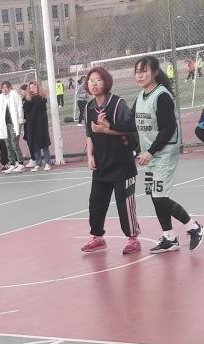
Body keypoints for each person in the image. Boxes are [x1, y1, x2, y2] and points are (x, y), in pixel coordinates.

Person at [131, 56, 204, 253]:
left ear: (155, 72)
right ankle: (169, 238)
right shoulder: (141, 96)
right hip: (151, 153)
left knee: (160, 196)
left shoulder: (162, 96)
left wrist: (150, 151)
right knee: (155, 195)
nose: (140, 75)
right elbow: (130, 122)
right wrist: (107, 127)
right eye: (137, 72)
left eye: (144, 71)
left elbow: (168, 128)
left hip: (164, 152)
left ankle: (194, 227)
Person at [80, 66, 141, 257]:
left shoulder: (118, 104)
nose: (94, 84)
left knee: (125, 204)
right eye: (91, 81)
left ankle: (133, 238)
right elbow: (89, 134)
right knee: (96, 203)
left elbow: (129, 129)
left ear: (106, 82)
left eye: (98, 80)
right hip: (101, 164)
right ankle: (98, 237)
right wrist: (90, 156)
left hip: (122, 164)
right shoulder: (88, 107)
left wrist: (106, 129)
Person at [23, 81, 52, 172]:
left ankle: (48, 162)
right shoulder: (28, 99)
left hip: (41, 124)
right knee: (35, 145)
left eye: (34, 87)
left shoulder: (41, 98)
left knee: (44, 144)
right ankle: (38, 163)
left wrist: (35, 96)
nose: (32, 89)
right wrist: (28, 98)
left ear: (38, 88)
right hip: (32, 125)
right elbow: (26, 109)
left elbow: (40, 106)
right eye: (30, 88)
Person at [0, 80, 25, 173]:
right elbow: (0, 111)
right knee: (8, 144)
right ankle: (12, 164)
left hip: (14, 124)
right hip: (5, 124)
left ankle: (21, 163)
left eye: (6, 87)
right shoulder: (1, 97)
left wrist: (20, 120)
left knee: (14, 143)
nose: (4, 89)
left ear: (10, 87)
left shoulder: (15, 95)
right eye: (3, 88)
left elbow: (19, 108)